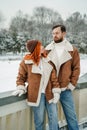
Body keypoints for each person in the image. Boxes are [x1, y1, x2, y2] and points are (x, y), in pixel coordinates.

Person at [12, 39, 61, 130]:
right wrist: (21, 88)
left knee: (54, 118)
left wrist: (56, 91)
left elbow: (54, 79)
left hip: (49, 94)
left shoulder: (48, 60)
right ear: (35, 48)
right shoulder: (26, 62)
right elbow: (21, 77)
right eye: (40, 45)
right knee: (39, 120)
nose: (42, 47)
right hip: (36, 95)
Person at [45, 24, 80, 130]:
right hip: (51, 89)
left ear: (64, 33)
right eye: (53, 33)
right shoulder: (47, 50)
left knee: (71, 117)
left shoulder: (72, 50)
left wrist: (71, 84)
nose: (54, 35)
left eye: (57, 33)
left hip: (66, 88)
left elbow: (76, 68)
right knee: (53, 119)